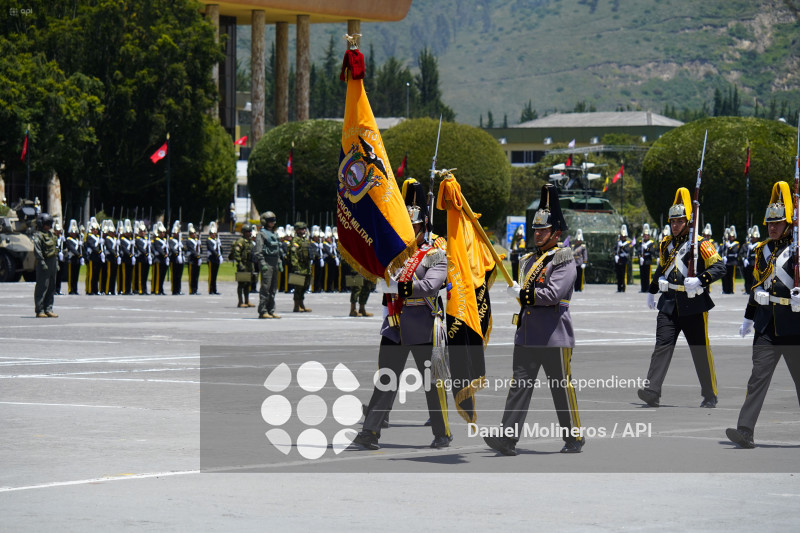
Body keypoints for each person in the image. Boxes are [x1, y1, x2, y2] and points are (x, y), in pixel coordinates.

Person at [484, 184, 582, 456]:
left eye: (543, 230)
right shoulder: (527, 260)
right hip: (527, 334)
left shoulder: (564, 258)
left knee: (560, 388)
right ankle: (507, 437)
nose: (537, 234)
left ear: (556, 233)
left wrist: (524, 293)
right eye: (536, 229)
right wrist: (521, 293)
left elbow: (553, 294)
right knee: (519, 387)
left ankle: (574, 436)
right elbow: (529, 295)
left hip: (554, 334)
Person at [353, 182, 452, 450]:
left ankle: (442, 432)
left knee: (433, 382)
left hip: (423, 324)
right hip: (395, 326)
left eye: (415, 226)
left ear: (424, 226)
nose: (411, 231)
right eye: (407, 227)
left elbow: (431, 286)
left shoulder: (434, 255)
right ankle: (369, 432)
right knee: (385, 379)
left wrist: (401, 286)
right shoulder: (395, 257)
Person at [637, 187, 726, 408]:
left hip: (693, 304)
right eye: (672, 221)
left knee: (700, 351)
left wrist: (701, 280)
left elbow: (720, 267)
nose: (675, 225)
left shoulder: (701, 243)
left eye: (679, 221)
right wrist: (651, 289)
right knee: (662, 346)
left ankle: (710, 394)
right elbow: (662, 268)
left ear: (688, 221)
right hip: (668, 303)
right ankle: (652, 391)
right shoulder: (666, 243)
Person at [727, 182, 800, 449]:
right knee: (757, 378)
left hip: (795, 327)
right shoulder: (762, 250)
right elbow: (758, 286)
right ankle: (745, 431)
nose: (772, 227)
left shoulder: (798, 248)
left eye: (778, 223)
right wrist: (748, 317)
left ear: (789, 222)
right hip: (767, 325)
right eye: (770, 223)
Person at [254, 211, 282, 319]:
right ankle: (263, 310)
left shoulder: (274, 233)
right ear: (265, 221)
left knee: (273, 288)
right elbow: (258, 251)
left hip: (274, 262)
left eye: (274, 220)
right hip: (266, 262)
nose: (273, 222)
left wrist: (279, 262)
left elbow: (277, 250)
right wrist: (262, 263)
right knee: (265, 288)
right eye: (270, 221)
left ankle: (271, 310)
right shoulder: (262, 234)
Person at [33, 213, 59, 318]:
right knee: (42, 286)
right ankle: (40, 310)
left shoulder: (51, 235)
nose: (49, 226)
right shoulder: (38, 235)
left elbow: (55, 249)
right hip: (44, 262)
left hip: (52, 262)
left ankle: (48, 308)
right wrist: (42, 261)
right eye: (47, 224)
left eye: (50, 224)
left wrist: (56, 263)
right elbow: (37, 250)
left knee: (51, 286)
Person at [288, 221, 313, 312]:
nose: (304, 230)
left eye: (304, 229)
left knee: (305, 286)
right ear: (297, 230)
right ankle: (296, 306)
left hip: (306, 267)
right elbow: (293, 255)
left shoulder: (305, 240)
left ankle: (302, 304)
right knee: (298, 287)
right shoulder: (295, 241)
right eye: (302, 229)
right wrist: (296, 267)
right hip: (299, 267)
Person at [230, 223, 254, 308]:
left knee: (248, 283)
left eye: (250, 231)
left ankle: (247, 301)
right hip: (243, 264)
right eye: (248, 232)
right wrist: (240, 264)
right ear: (244, 232)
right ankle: (240, 302)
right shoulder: (241, 241)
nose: (250, 233)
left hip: (249, 264)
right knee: (241, 284)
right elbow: (237, 253)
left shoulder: (250, 241)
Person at [84, 219, 103, 295]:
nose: (95, 231)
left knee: (96, 275)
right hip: (92, 258)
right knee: (91, 274)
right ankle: (89, 290)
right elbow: (92, 246)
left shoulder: (99, 237)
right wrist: (100, 251)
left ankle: (95, 290)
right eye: (93, 229)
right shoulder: (89, 237)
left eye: (96, 229)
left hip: (98, 258)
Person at [64, 219, 83, 295]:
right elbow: (72, 248)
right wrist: (79, 255)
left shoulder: (79, 240)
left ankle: (75, 289)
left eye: (75, 232)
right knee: (71, 276)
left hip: (77, 260)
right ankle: (70, 289)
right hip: (71, 259)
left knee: (76, 276)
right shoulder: (68, 239)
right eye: (73, 232)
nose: (74, 234)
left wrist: (82, 245)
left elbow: (81, 249)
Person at [151, 222, 169, 295]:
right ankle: (157, 290)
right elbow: (159, 249)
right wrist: (165, 255)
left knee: (162, 276)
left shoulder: (165, 240)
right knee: (158, 276)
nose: (162, 234)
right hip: (158, 260)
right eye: (161, 232)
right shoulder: (157, 240)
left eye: (163, 232)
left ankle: (161, 289)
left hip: (164, 260)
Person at [741, 225, 760, 294]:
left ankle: (753, 290)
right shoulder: (748, 245)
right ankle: (747, 290)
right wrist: (744, 259)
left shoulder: (759, 244)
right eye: (752, 237)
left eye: (754, 237)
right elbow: (742, 253)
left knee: (753, 278)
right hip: (748, 263)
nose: (753, 238)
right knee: (747, 277)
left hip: (754, 263)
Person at [134, 222, 151, 295]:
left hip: (146, 259)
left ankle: (145, 290)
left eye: (144, 231)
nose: (143, 232)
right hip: (140, 259)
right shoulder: (137, 239)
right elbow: (141, 248)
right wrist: (147, 253)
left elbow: (149, 248)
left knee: (145, 276)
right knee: (140, 275)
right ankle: (140, 289)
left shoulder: (147, 239)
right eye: (141, 231)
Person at [118, 220, 135, 295]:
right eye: (127, 232)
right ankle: (124, 290)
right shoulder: (122, 239)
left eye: (129, 232)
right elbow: (124, 249)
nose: (129, 233)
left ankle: (128, 290)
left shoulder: (131, 240)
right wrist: (131, 255)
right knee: (125, 276)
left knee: (129, 276)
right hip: (125, 259)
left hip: (130, 260)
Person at [168, 221, 185, 295]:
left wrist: (182, 246)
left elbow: (185, 249)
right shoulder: (171, 240)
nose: (177, 234)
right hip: (174, 260)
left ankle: (178, 289)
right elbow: (172, 249)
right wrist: (177, 254)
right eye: (176, 233)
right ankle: (174, 290)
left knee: (179, 276)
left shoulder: (180, 241)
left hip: (180, 260)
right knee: (174, 276)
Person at [722, 226, 739, 294]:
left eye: (732, 236)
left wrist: (729, 246)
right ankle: (725, 290)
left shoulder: (736, 243)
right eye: (729, 236)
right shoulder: (726, 243)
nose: (730, 237)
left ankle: (731, 290)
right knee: (725, 277)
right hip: (726, 261)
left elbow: (735, 250)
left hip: (732, 262)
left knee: (731, 277)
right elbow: (722, 251)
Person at [206, 221, 222, 295]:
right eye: (212, 233)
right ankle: (210, 290)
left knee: (215, 276)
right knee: (211, 275)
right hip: (211, 259)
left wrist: (220, 245)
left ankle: (214, 290)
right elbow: (211, 249)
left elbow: (221, 250)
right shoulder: (208, 240)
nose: (213, 235)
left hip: (216, 260)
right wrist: (217, 254)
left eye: (214, 233)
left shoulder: (217, 241)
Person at [614, 225, 631, 292]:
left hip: (624, 260)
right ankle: (619, 287)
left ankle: (623, 287)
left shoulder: (628, 243)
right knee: (618, 275)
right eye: (622, 236)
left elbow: (628, 250)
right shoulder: (618, 242)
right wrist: (615, 255)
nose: (623, 237)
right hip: (618, 259)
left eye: (624, 236)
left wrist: (622, 247)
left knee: (624, 274)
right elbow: (615, 249)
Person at [185, 223, 201, 295]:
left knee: (196, 276)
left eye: (195, 233)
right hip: (192, 260)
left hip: (197, 260)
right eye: (193, 233)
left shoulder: (196, 241)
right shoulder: (189, 241)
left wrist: (199, 245)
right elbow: (192, 250)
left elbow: (200, 251)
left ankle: (195, 289)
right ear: (190, 234)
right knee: (192, 276)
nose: (194, 234)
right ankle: (192, 290)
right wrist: (197, 256)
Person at [638, 224, 654, 292]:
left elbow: (652, 251)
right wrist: (640, 257)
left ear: (649, 236)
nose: (645, 236)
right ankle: (643, 288)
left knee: (647, 276)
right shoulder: (641, 242)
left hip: (647, 260)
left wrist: (647, 248)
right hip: (642, 260)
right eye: (644, 235)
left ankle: (648, 288)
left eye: (647, 235)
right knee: (642, 275)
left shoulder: (651, 243)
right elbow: (638, 251)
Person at [53, 221, 66, 295]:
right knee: (54, 275)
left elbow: (65, 247)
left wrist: (64, 241)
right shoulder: (53, 237)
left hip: (61, 258)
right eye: (57, 231)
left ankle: (58, 289)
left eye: (59, 231)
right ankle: (53, 289)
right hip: (55, 257)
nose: (58, 232)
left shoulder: (61, 238)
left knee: (60, 274)